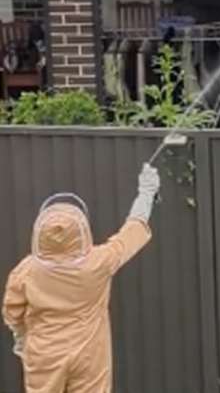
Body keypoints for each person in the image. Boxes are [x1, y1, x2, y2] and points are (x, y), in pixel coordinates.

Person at [2, 163, 161, 393]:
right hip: (90, 355)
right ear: (82, 231)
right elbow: (133, 229)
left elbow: (12, 312)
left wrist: (21, 338)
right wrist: (146, 190)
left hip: (44, 353)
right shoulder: (98, 263)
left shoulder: (26, 271)